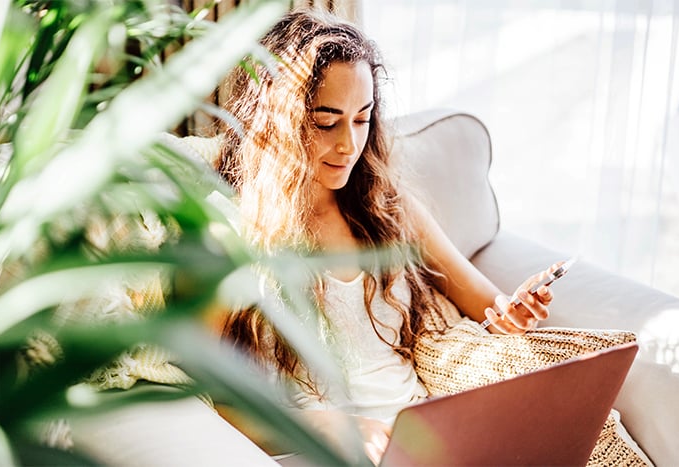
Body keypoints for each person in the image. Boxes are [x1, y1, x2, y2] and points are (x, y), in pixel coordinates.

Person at [213, 8, 557, 464]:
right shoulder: (231, 236)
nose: (348, 145)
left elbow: (488, 306)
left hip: (429, 435)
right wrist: (326, 425)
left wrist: (515, 309)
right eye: (325, 120)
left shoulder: (386, 206)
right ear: (275, 118)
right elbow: (214, 399)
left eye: (362, 118)